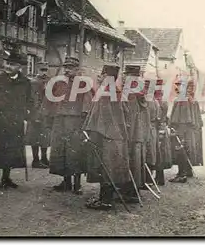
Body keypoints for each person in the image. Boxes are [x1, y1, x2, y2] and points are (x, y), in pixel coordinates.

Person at [83, 64, 132, 210]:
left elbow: (100, 118)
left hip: (106, 138)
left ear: (106, 76)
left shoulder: (105, 93)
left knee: (106, 169)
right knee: (110, 168)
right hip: (117, 137)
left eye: (101, 74)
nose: (99, 76)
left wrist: (90, 133)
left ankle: (105, 201)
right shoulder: (117, 92)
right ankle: (105, 199)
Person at [49, 56, 92, 194]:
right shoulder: (59, 82)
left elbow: (87, 103)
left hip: (75, 122)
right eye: (66, 67)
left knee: (75, 152)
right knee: (61, 151)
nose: (67, 70)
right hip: (60, 121)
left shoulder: (83, 83)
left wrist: (84, 121)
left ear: (77, 69)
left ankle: (77, 184)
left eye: (70, 68)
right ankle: (66, 182)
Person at [0, 50, 31, 188]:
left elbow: (29, 100)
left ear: (20, 67)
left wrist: (26, 116)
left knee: (11, 150)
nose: (8, 66)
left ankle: (6, 178)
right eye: (7, 63)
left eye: (12, 64)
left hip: (16, 121)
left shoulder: (25, 82)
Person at [122, 65, 150, 198]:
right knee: (137, 161)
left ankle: (130, 191)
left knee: (131, 161)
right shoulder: (141, 92)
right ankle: (134, 190)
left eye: (126, 75)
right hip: (139, 133)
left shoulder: (131, 93)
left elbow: (128, 115)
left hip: (131, 133)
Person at [169, 79, 197, 183]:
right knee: (185, 151)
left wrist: (173, 126)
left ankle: (181, 175)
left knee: (180, 151)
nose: (177, 87)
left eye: (179, 85)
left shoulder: (182, 99)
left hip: (181, 129)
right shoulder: (187, 99)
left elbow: (178, 117)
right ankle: (186, 172)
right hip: (186, 130)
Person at [26, 61, 51, 169]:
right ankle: (35, 160)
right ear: (37, 70)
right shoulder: (33, 82)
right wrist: (35, 113)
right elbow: (32, 99)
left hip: (46, 113)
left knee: (45, 137)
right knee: (35, 137)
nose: (44, 73)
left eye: (45, 70)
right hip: (36, 113)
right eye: (42, 70)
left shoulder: (50, 81)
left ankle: (44, 158)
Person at [153, 79, 173, 186]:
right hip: (161, 128)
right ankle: (158, 177)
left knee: (158, 154)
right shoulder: (162, 100)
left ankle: (159, 178)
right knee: (159, 154)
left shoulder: (160, 101)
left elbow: (161, 117)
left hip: (159, 129)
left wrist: (160, 129)